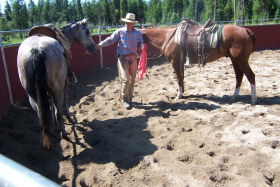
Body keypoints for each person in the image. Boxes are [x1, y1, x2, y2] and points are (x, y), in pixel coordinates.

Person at [96, 13, 144, 109]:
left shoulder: (138, 33)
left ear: (133, 24)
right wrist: (101, 44)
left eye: (129, 22)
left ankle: (130, 99)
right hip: (122, 57)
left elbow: (141, 42)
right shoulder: (120, 31)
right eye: (126, 22)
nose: (127, 24)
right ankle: (124, 99)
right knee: (126, 79)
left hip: (133, 57)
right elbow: (110, 39)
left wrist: (142, 46)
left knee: (132, 79)